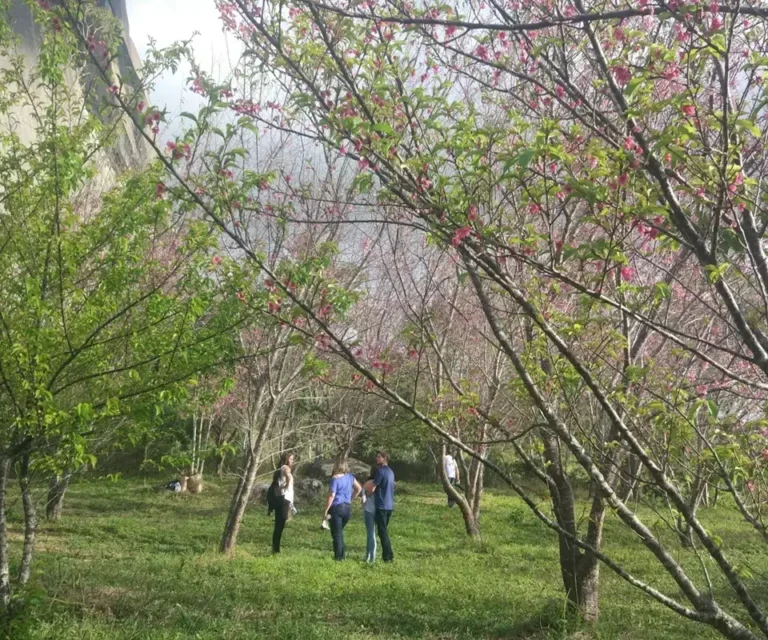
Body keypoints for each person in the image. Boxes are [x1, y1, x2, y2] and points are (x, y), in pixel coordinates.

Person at [322, 459, 362, 560]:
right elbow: (359, 489)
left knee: (337, 535)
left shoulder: (335, 479)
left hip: (336, 508)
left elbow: (331, 496)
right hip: (347, 508)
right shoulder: (350, 477)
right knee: (339, 533)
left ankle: (338, 558)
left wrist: (325, 510)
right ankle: (342, 555)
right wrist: (350, 499)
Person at [371, 450, 395, 562]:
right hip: (389, 506)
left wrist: (365, 495)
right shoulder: (391, 472)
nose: (377, 459)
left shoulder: (380, 472)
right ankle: (389, 554)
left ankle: (387, 556)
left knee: (382, 532)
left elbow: (372, 488)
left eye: (379, 457)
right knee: (383, 531)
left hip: (381, 506)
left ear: (385, 458)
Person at [272, 452, 295, 553]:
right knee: (280, 525)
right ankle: (276, 549)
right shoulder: (286, 468)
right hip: (284, 499)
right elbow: (289, 477)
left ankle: (275, 547)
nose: (292, 461)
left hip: (282, 499)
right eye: (290, 459)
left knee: (279, 524)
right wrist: (287, 486)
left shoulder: (280, 469)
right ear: (286, 460)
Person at [361, 465, 378, 562]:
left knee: (370, 534)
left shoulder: (367, 483)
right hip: (379, 510)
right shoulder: (381, 484)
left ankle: (371, 557)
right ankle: (368, 556)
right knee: (373, 533)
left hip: (368, 510)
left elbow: (363, 499)